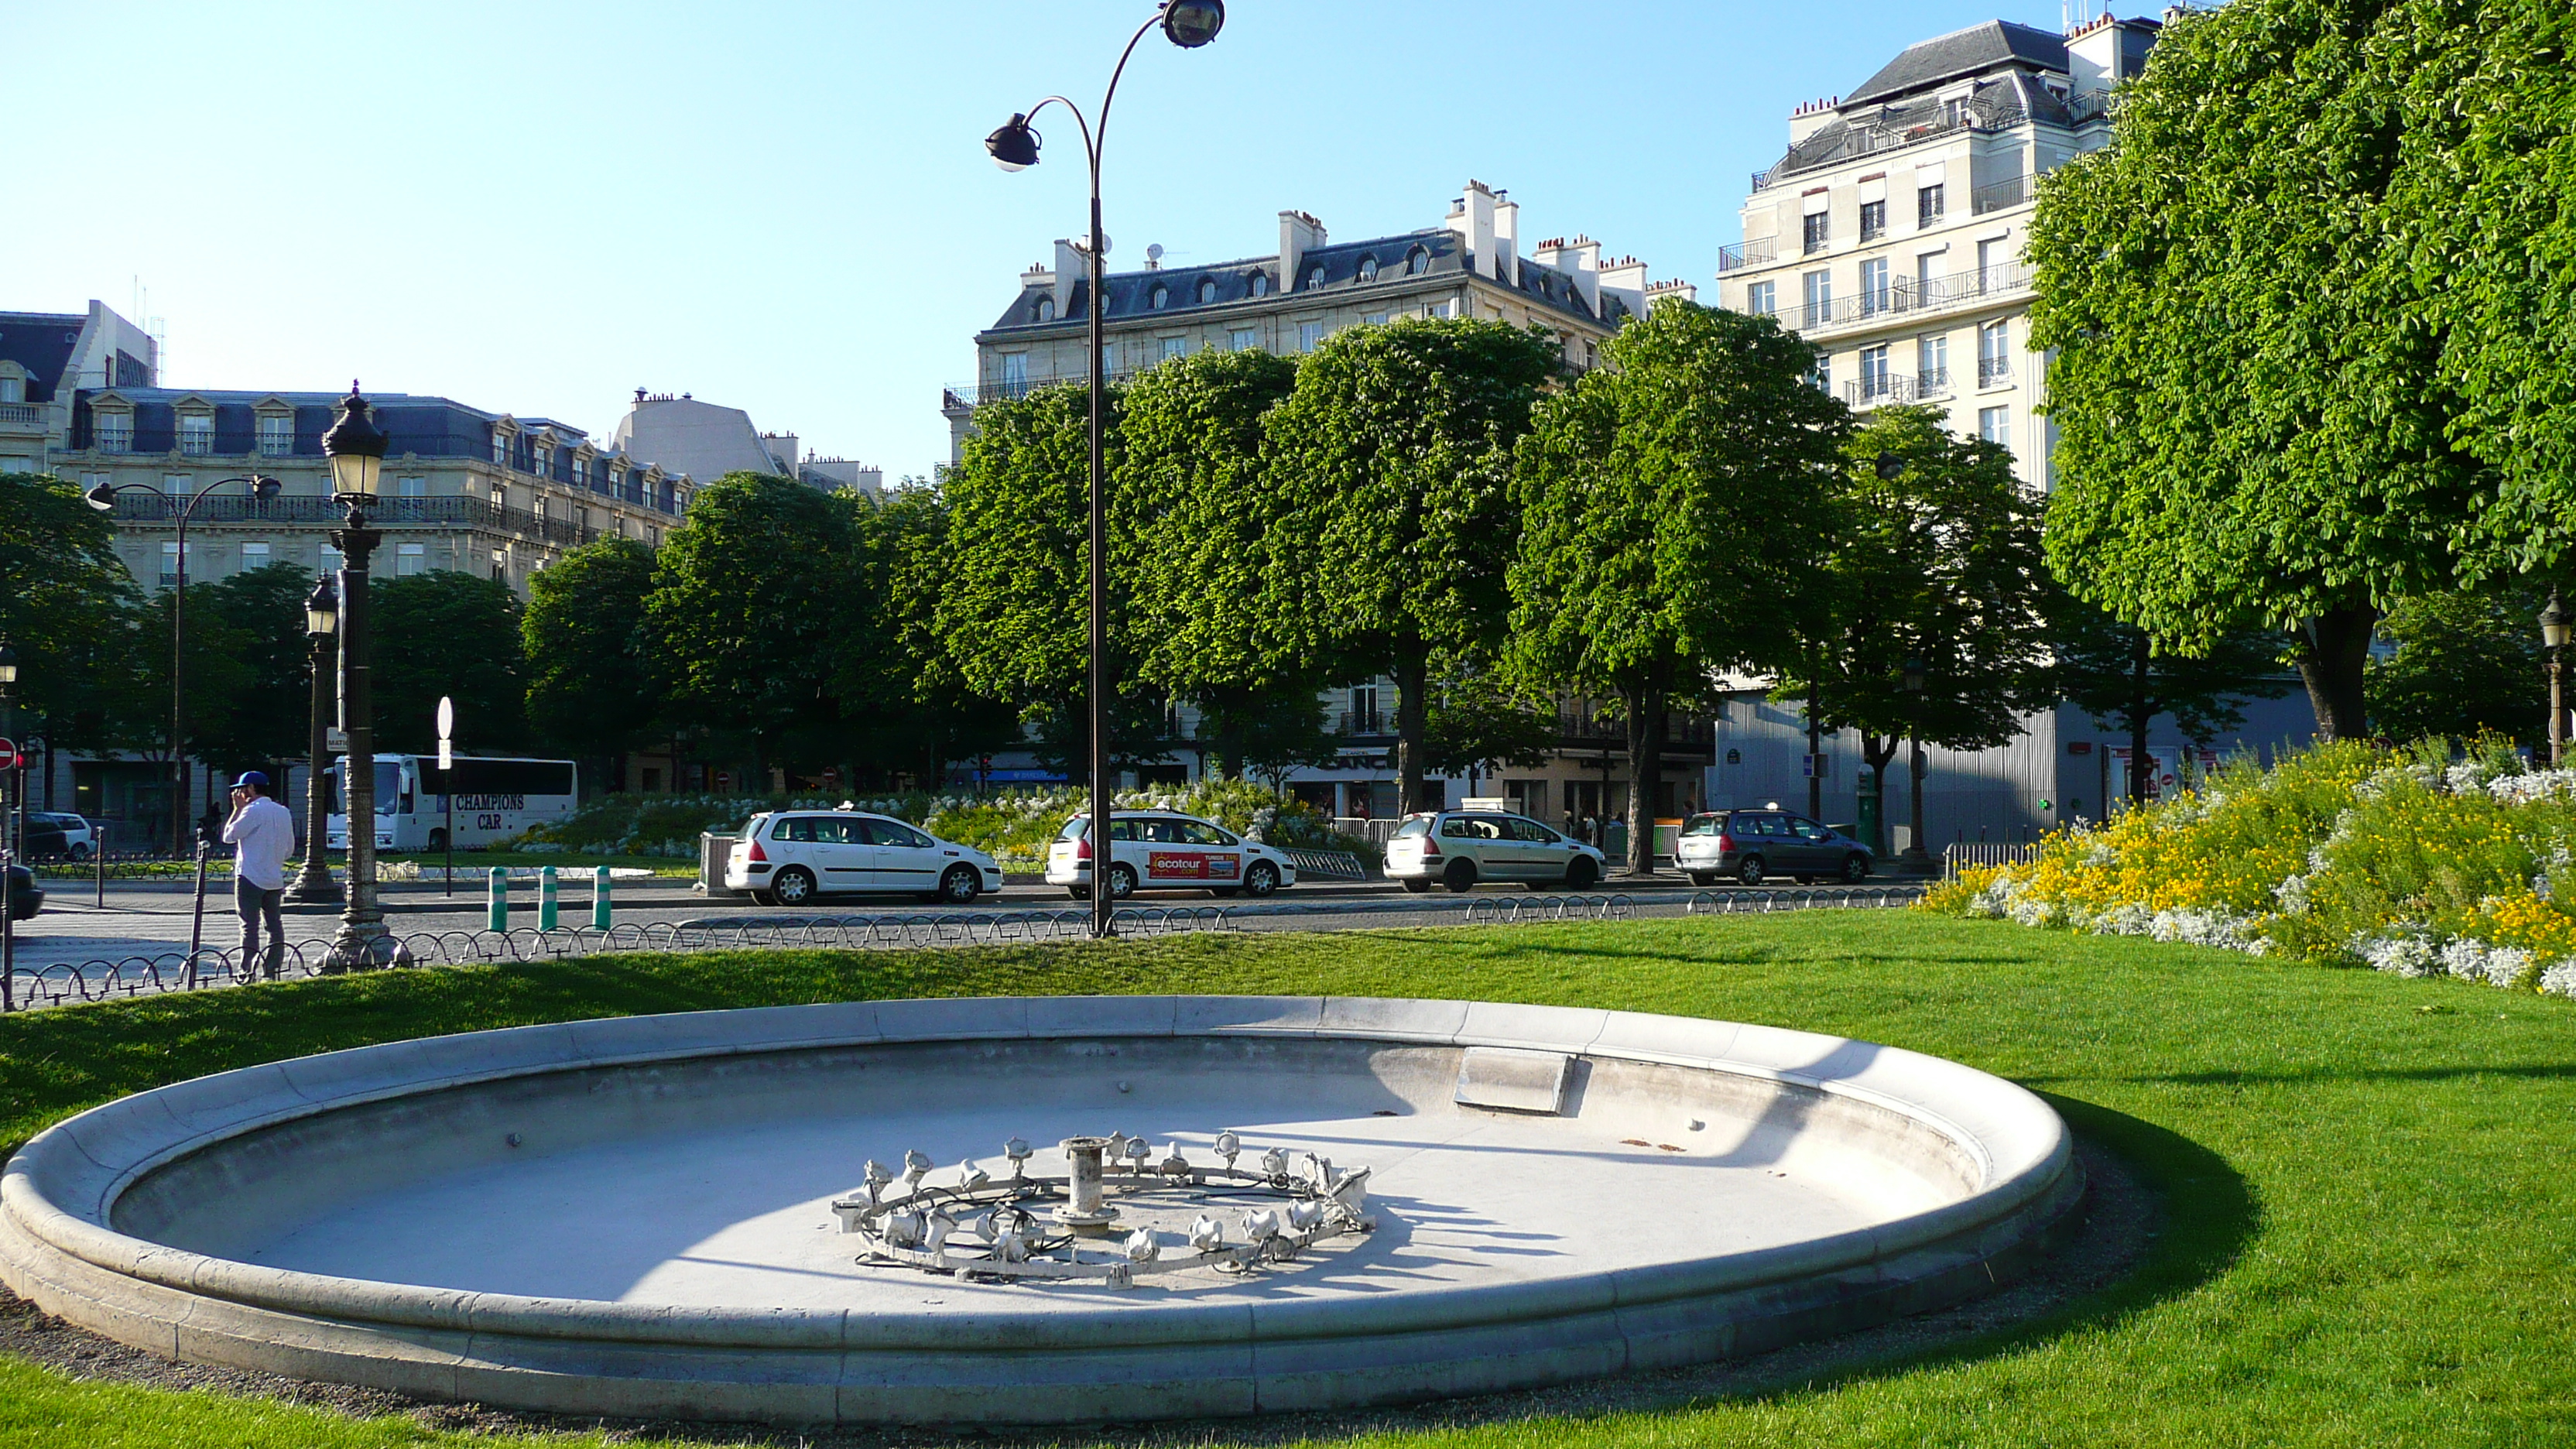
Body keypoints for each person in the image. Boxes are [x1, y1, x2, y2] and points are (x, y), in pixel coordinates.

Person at [222, 772, 296, 979]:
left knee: (249, 927)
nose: (239, 793)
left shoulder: (251, 811)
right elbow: (289, 850)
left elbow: (229, 836)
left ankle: (247, 971)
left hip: (250, 877)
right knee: (274, 926)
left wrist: (237, 810)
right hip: (274, 878)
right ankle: (272, 969)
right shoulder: (283, 812)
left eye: (242, 789)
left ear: (251, 788)